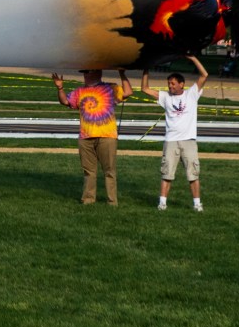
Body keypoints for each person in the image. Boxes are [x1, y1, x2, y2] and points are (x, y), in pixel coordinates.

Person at [53, 67, 131, 205]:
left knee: (109, 171)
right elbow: (65, 102)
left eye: (87, 72)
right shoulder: (79, 91)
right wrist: (60, 88)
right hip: (85, 137)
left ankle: (112, 201)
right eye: (83, 72)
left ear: (97, 72)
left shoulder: (110, 88)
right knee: (89, 171)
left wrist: (122, 73)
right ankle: (88, 200)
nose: (84, 75)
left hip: (107, 136)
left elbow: (128, 92)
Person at [142, 55, 209, 212]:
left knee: (193, 174)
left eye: (173, 84)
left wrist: (193, 59)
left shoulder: (191, 94)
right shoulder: (165, 97)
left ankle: (197, 204)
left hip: (189, 141)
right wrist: (146, 69)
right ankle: (162, 203)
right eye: (168, 84)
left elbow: (204, 75)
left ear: (182, 84)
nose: (170, 86)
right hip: (171, 141)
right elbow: (145, 89)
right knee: (167, 173)